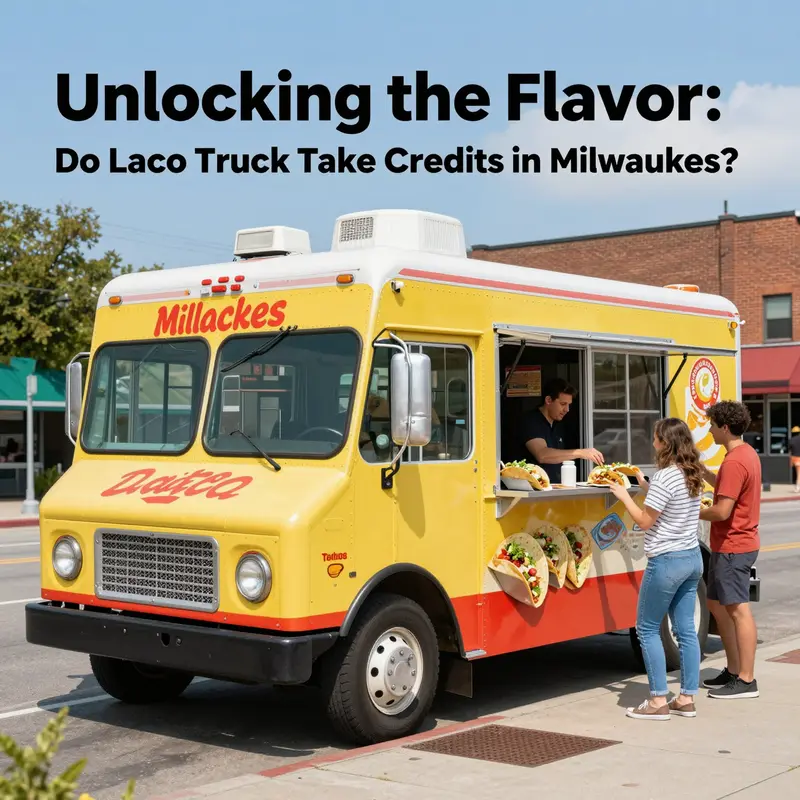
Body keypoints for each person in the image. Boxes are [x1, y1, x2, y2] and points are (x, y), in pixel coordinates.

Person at [608, 418, 704, 721]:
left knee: (647, 629)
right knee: (686, 631)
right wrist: (644, 484)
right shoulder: (692, 474)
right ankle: (686, 698)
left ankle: (657, 701)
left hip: (666, 560)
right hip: (692, 558)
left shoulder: (666, 477)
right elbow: (671, 505)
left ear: (666, 443)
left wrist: (624, 495)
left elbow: (645, 522)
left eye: (655, 438)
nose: (652, 443)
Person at [699, 400, 761, 699]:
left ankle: (746, 680)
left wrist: (690, 510)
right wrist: (703, 473)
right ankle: (734, 669)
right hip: (730, 544)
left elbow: (722, 511)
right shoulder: (744, 454)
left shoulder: (735, 461)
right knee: (716, 605)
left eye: (712, 425)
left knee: (737, 610)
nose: (709, 430)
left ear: (724, 427)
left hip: (734, 544)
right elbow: (727, 487)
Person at [521, 377, 604, 484]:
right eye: (563, 404)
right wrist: (580, 452)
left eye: (569, 405)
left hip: (555, 488)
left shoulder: (558, 424)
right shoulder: (531, 421)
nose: (567, 410)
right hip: (531, 491)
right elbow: (542, 455)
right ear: (548, 400)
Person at [790, 425, 800, 494]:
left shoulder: (791, 440)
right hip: (799, 458)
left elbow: (790, 450)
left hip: (794, 458)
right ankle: (797, 487)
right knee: (799, 474)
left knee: (796, 473)